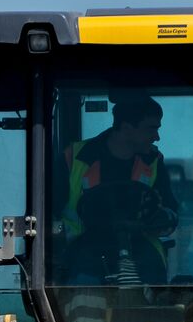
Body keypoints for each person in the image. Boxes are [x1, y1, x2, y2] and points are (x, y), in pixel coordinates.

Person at [57, 94, 180, 284]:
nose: (157, 137)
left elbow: (170, 211)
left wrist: (157, 219)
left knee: (154, 289)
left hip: (141, 251)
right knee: (80, 286)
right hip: (84, 252)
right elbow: (47, 214)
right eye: (151, 129)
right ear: (126, 128)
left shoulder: (154, 162)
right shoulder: (72, 158)